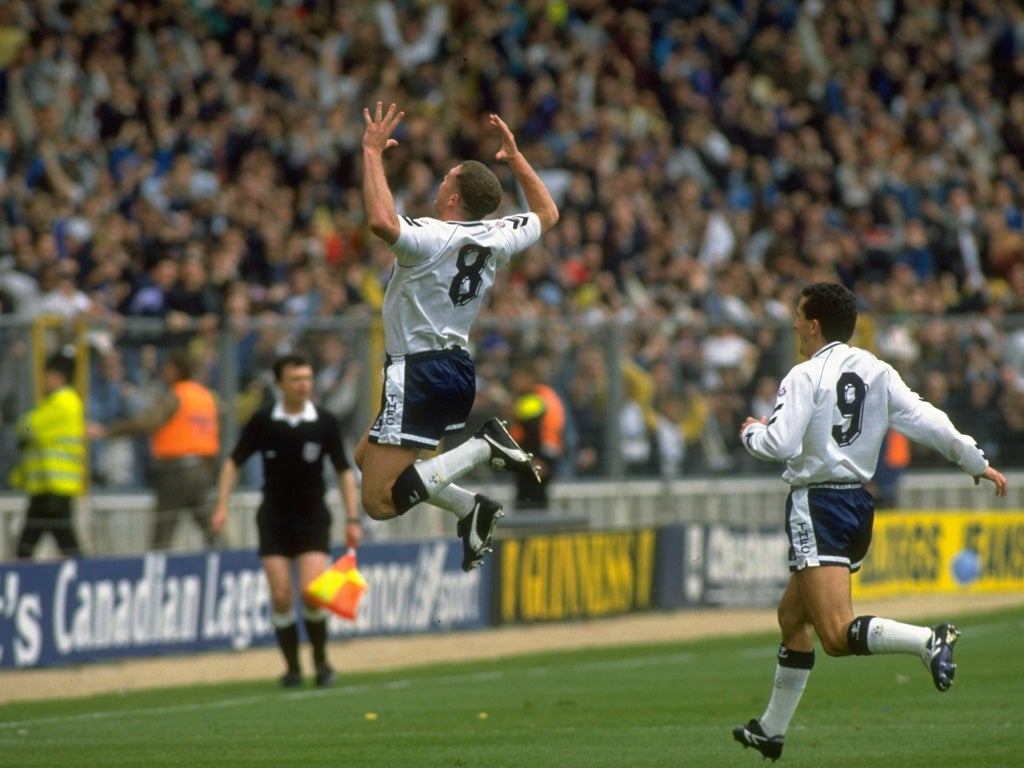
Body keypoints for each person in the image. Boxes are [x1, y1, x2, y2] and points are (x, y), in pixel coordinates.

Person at [732, 282, 1008, 761]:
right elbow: (926, 419)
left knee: (836, 636)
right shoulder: (877, 370)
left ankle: (929, 639)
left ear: (814, 324)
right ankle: (770, 730)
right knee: (791, 617)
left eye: (799, 315)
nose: (794, 323)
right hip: (859, 504)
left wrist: (752, 432)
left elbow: (778, 445)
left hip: (817, 504)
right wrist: (971, 461)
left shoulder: (803, 375)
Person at [354, 102, 559, 572]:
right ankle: (471, 507)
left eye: (446, 177)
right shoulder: (497, 235)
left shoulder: (429, 236)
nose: (440, 181)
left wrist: (370, 154)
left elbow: (383, 223)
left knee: (378, 503)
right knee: (366, 457)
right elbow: (547, 212)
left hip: (419, 371)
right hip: (456, 370)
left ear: (452, 196)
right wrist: (516, 157)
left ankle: (484, 446)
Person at [210, 353, 361, 688]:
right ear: (280, 385)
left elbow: (344, 471)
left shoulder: (324, 422)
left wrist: (353, 517)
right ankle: (292, 669)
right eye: (296, 379)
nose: (304, 385)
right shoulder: (264, 421)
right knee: (280, 595)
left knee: (310, 592)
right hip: (274, 519)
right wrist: (221, 506)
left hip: (312, 518)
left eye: (307, 378)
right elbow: (233, 462)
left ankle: (321, 663)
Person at [91, 349, 222, 550]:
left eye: (168, 368)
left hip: (176, 470)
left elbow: (147, 421)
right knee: (210, 528)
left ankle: (157, 572)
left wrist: (109, 430)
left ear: (177, 371)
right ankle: (233, 564)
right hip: (202, 469)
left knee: (163, 530)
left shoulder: (175, 396)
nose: (164, 371)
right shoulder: (206, 397)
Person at [12, 351, 85, 558]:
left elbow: (28, 427)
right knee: (52, 541)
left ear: (58, 376)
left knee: (60, 542)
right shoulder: (55, 402)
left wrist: (23, 426)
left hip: (55, 486)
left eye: (47, 375)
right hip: (46, 485)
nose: (43, 380)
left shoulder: (64, 403)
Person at [508, 356, 566, 511]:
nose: (514, 382)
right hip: (549, 454)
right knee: (540, 502)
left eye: (517, 377)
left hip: (535, 457)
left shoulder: (530, 399)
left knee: (527, 503)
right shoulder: (546, 394)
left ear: (527, 377)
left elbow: (532, 431)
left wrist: (534, 459)